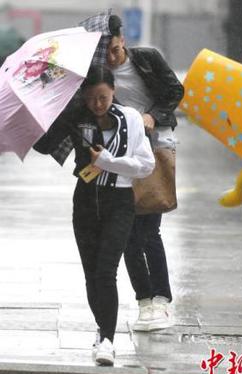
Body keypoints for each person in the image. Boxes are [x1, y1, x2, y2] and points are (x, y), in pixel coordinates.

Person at [33, 66, 155, 365]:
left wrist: (108, 162)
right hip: (86, 200)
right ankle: (103, 331)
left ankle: (108, 341)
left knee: (106, 271)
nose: (98, 104)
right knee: (91, 274)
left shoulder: (131, 119)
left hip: (119, 202)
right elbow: (43, 145)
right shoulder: (77, 116)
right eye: (91, 99)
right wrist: (55, 111)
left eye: (102, 96)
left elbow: (145, 165)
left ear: (113, 91)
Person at [81, 13, 184, 331]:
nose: (110, 58)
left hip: (156, 148)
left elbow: (174, 91)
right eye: (104, 53)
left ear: (121, 40)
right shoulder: (97, 75)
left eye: (113, 49)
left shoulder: (147, 58)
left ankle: (162, 300)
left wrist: (153, 115)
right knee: (127, 235)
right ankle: (144, 302)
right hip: (119, 156)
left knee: (148, 230)